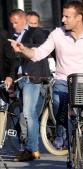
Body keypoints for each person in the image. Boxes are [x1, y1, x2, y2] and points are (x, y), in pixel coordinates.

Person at [9, 1, 83, 168]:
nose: (63, 19)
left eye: (67, 16)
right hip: (64, 82)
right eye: (63, 15)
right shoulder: (57, 34)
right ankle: (65, 136)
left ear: (79, 18)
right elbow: (39, 53)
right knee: (60, 107)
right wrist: (23, 50)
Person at [8, 9, 51, 162]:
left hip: (32, 78)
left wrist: (22, 46)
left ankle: (33, 149)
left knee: (28, 113)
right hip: (20, 79)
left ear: (24, 20)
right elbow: (14, 62)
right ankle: (26, 148)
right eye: (11, 22)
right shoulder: (14, 36)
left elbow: (43, 45)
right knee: (23, 116)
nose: (13, 25)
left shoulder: (35, 31)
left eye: (16, 22)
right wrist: (10, 77)